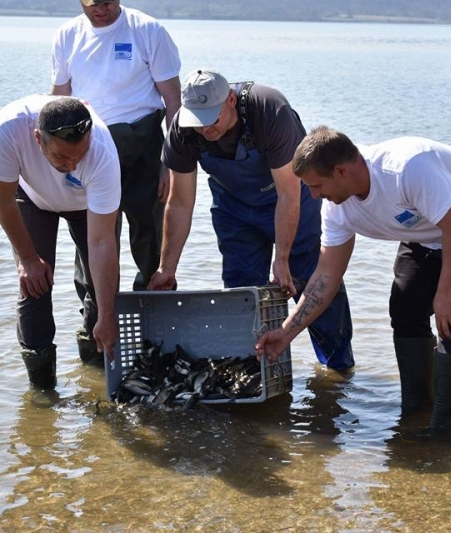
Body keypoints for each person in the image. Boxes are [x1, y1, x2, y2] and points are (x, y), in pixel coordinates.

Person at [255, 126, 451, 434]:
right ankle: (415, 412)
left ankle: (445, 432)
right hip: (428, 231)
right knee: (405, 310)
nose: (314, 196)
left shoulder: (406, 169)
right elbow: (326, 275)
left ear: (341, 171)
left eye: (316, 186)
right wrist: (287, 333)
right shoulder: (337, 208)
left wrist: (446, 292)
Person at [148, 69, 354, 371]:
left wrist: (281, 258)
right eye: (197, 121)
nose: (204, 129)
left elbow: (288, 192)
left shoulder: (270, 110)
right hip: (234, 206)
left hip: (289, 199)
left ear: (230, 100)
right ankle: (251, 369)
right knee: (241, 291)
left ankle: (337, 370)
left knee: (311, 280)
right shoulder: (182, 128)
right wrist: (167, 267)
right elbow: (179, 202)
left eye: (211, 119)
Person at [50, 0, 181, 362]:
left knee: (149, 237)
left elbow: (173, 101)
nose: (101, 10)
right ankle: (94, 334)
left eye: (107, 2)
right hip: (88, 147)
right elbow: (58, 99)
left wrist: (171, 162)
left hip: (143, 145)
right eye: (93, 4)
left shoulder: (148, 30)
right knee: (93, 242)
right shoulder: (66, 35)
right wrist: (52, 160)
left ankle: (155, 332)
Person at [0, 94, 121, 395]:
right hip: (32, 198)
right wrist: (28, 259)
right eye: (62, 158)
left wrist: (108, 316)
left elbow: (102, 242)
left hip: (86, 206)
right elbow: (1, 201)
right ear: (37, 139)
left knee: (101, 287)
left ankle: (93, 367)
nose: (72, 166)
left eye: (79, 156)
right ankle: (42, 392)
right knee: (34, 285)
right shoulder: (8, 130)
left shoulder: (103, 153)